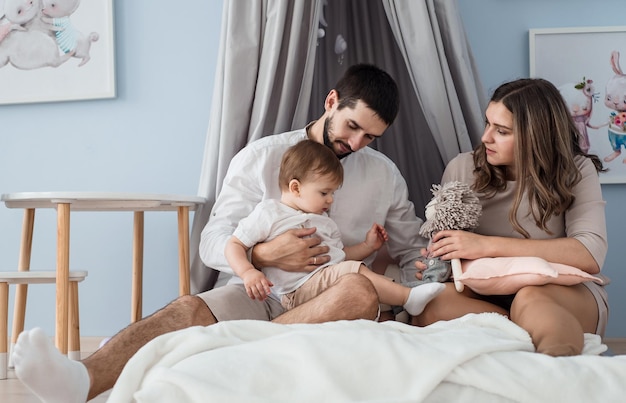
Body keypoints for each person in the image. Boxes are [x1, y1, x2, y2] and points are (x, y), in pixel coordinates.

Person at [13, 63, 431, 402]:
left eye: (370, 137)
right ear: (332, 101)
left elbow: (413, 247)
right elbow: (213, 240)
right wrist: (264, 256)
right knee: (187, 308)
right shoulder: (261, 157)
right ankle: (80, 380)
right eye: (352, 127)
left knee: (360, 291)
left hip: (327, 300)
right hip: (258, 293)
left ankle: (226, 349)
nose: (356, 143)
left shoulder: (384, 176)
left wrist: (421, 293)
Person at [412, 78, 609, 357]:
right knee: (431, 304)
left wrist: (486, 246)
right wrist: (439, 261)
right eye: (487, 124)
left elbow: (589, 254)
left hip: (556, 292)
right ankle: (526, 334)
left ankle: (557, 374)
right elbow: (447, 239)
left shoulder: (576, 171)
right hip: (484, 295)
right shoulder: (462, 168)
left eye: (501, 131)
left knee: (532, 297)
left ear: (535, 136)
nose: (485, 138)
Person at [226, 139, 444, 315]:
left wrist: (368, 246)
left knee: (358, 279)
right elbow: (233, 244)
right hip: (295, 290)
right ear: (296, 187)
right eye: (324, 193)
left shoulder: (324, 222)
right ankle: (408, 298)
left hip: (326, 287)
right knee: (352, 274)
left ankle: (395, 305)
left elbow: (340, 256)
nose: (330, 200)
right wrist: (247, 272)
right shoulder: (270, 212)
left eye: (332, 193)